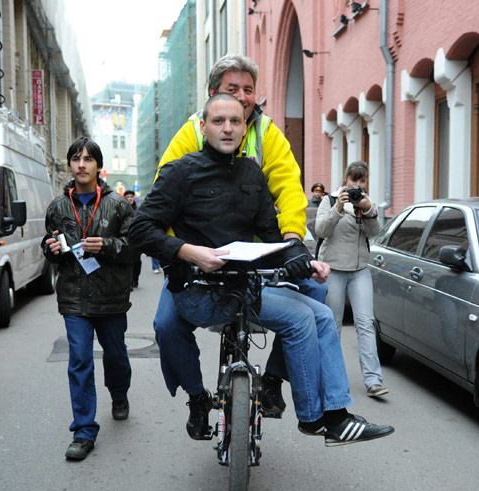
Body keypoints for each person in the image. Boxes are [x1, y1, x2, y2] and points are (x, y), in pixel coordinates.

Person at [131, 93, 393, 446]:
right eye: (218, 121)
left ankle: (335, 415)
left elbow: (272, 235)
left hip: (244, 289)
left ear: (244, 128)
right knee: (302, 319)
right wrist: (192, 253)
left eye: (235, 121)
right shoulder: (180, 172)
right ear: (203, 126)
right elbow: (139, 230)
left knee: (322, 314)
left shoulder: (252, 173)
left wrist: (304, 259)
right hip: (196, 291)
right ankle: (315, 418)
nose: (227, 128)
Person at [153, 53, 328, 420]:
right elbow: (161, 197)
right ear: (213, 96)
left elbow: (290, 191)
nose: (243, 97)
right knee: (166, 325)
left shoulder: (267, 133)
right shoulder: (190, 133)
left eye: (248, 90)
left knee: (316, 290)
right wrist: (180, 255)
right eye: (233, 89)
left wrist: (294, 239)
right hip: (200, 258)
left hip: (256, 254)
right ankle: (197, 397)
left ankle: (275, 378)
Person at [42, 138, 135, 461]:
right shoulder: (58, 206)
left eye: (88, 159)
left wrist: (105, 246)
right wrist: (49, 248)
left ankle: (119, 394)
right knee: (79, 360)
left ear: (98, 165)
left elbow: (134, 247)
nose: (81, 164)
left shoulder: (119, 205)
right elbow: (50, 242)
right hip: (73, 298)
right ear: (70, 165)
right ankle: (83, 430)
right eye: (75, 159)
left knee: (116, 355)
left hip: (110, 296)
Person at [314, 161, 388, 398]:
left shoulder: (366, 203)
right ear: (345, 179)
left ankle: (373, 381)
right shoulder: (329, 200)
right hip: (333, 269)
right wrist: (338, 208)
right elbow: (321, 231)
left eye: (362, 180)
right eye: (353, 179)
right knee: (333, 325)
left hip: (359, 271)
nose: (357, 184)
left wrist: (368, 211)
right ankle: (330, 380)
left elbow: (375, 232)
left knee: (366, 323)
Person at [123, 189, 142, 289]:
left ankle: (135, 279)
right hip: (126, 239)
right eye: (127, 197)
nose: (130, 199)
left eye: (131, 197)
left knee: (137, 261)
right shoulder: (122, 209)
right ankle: (129, 283)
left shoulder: (139, 210)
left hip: (137, 239)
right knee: (128, 261)